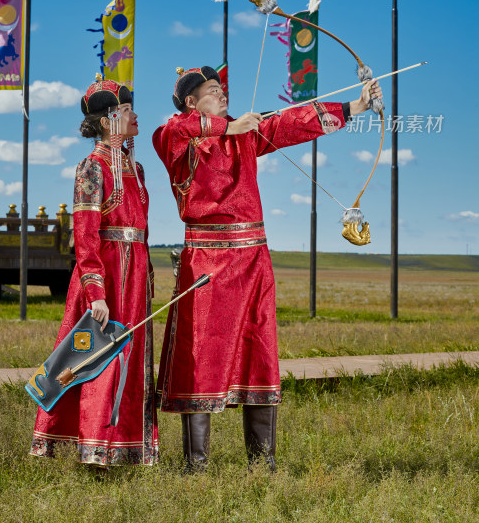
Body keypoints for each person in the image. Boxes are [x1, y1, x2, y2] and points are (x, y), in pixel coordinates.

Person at [153, 66, 382, 471]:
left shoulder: (243, 134)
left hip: (253, 260)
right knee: (202, 354)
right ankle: (197, 466)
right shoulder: (178, 136)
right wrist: (226, 127)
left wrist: (356, 105)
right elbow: (170, 131)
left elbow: (291, 122)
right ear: (191, 102)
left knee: (259, 351)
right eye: (212, 91)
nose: (222, 95)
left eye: (223, 89)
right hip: (207, 261)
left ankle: (263, 464)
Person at [30, 77, 158, 467]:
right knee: (95, 355)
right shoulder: (91, 167)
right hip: (107, 274)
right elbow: (85, 235)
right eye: (126, 111)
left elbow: (142, 229)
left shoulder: (135, 167)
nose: (135, 116)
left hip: (134, 274)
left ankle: (126, 445)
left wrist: (147, 274)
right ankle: (92, 446)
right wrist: (95, 290)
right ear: (107, 120)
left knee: (130, 357)